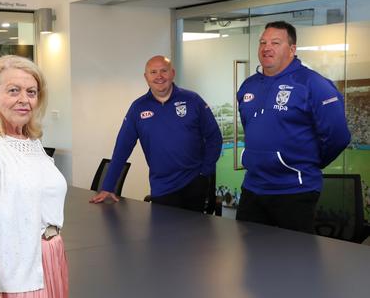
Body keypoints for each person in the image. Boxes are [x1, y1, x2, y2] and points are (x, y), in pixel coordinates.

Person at [0, 55, 68, 297]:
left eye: (31, 92)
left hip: (51, 261)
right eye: (13, 90)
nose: (24, 100)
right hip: (16, 278)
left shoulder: (32, 142)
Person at [236, 21, 350, 233]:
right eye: (263, 42)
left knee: (296, 262)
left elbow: (338, 136)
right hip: (253, 189)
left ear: (292, 49)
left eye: (275, 42)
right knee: (251, 260)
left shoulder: (313, 84)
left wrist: (307, 163)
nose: (266, 47)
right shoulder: (248, 86)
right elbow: (250, 126)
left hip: (295, 191)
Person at [90, 55, 222, 212]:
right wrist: (108, 186)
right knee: (163, 235)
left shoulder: (192, 100)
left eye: (163, 71)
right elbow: (122, 149)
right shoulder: (138, 108)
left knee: (195, 235)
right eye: (153, 72)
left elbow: (214, 137)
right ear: (146, 77)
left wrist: (205, 171)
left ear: (172, 73)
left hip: (194, 182)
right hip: (162, 187)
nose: (159, 76)